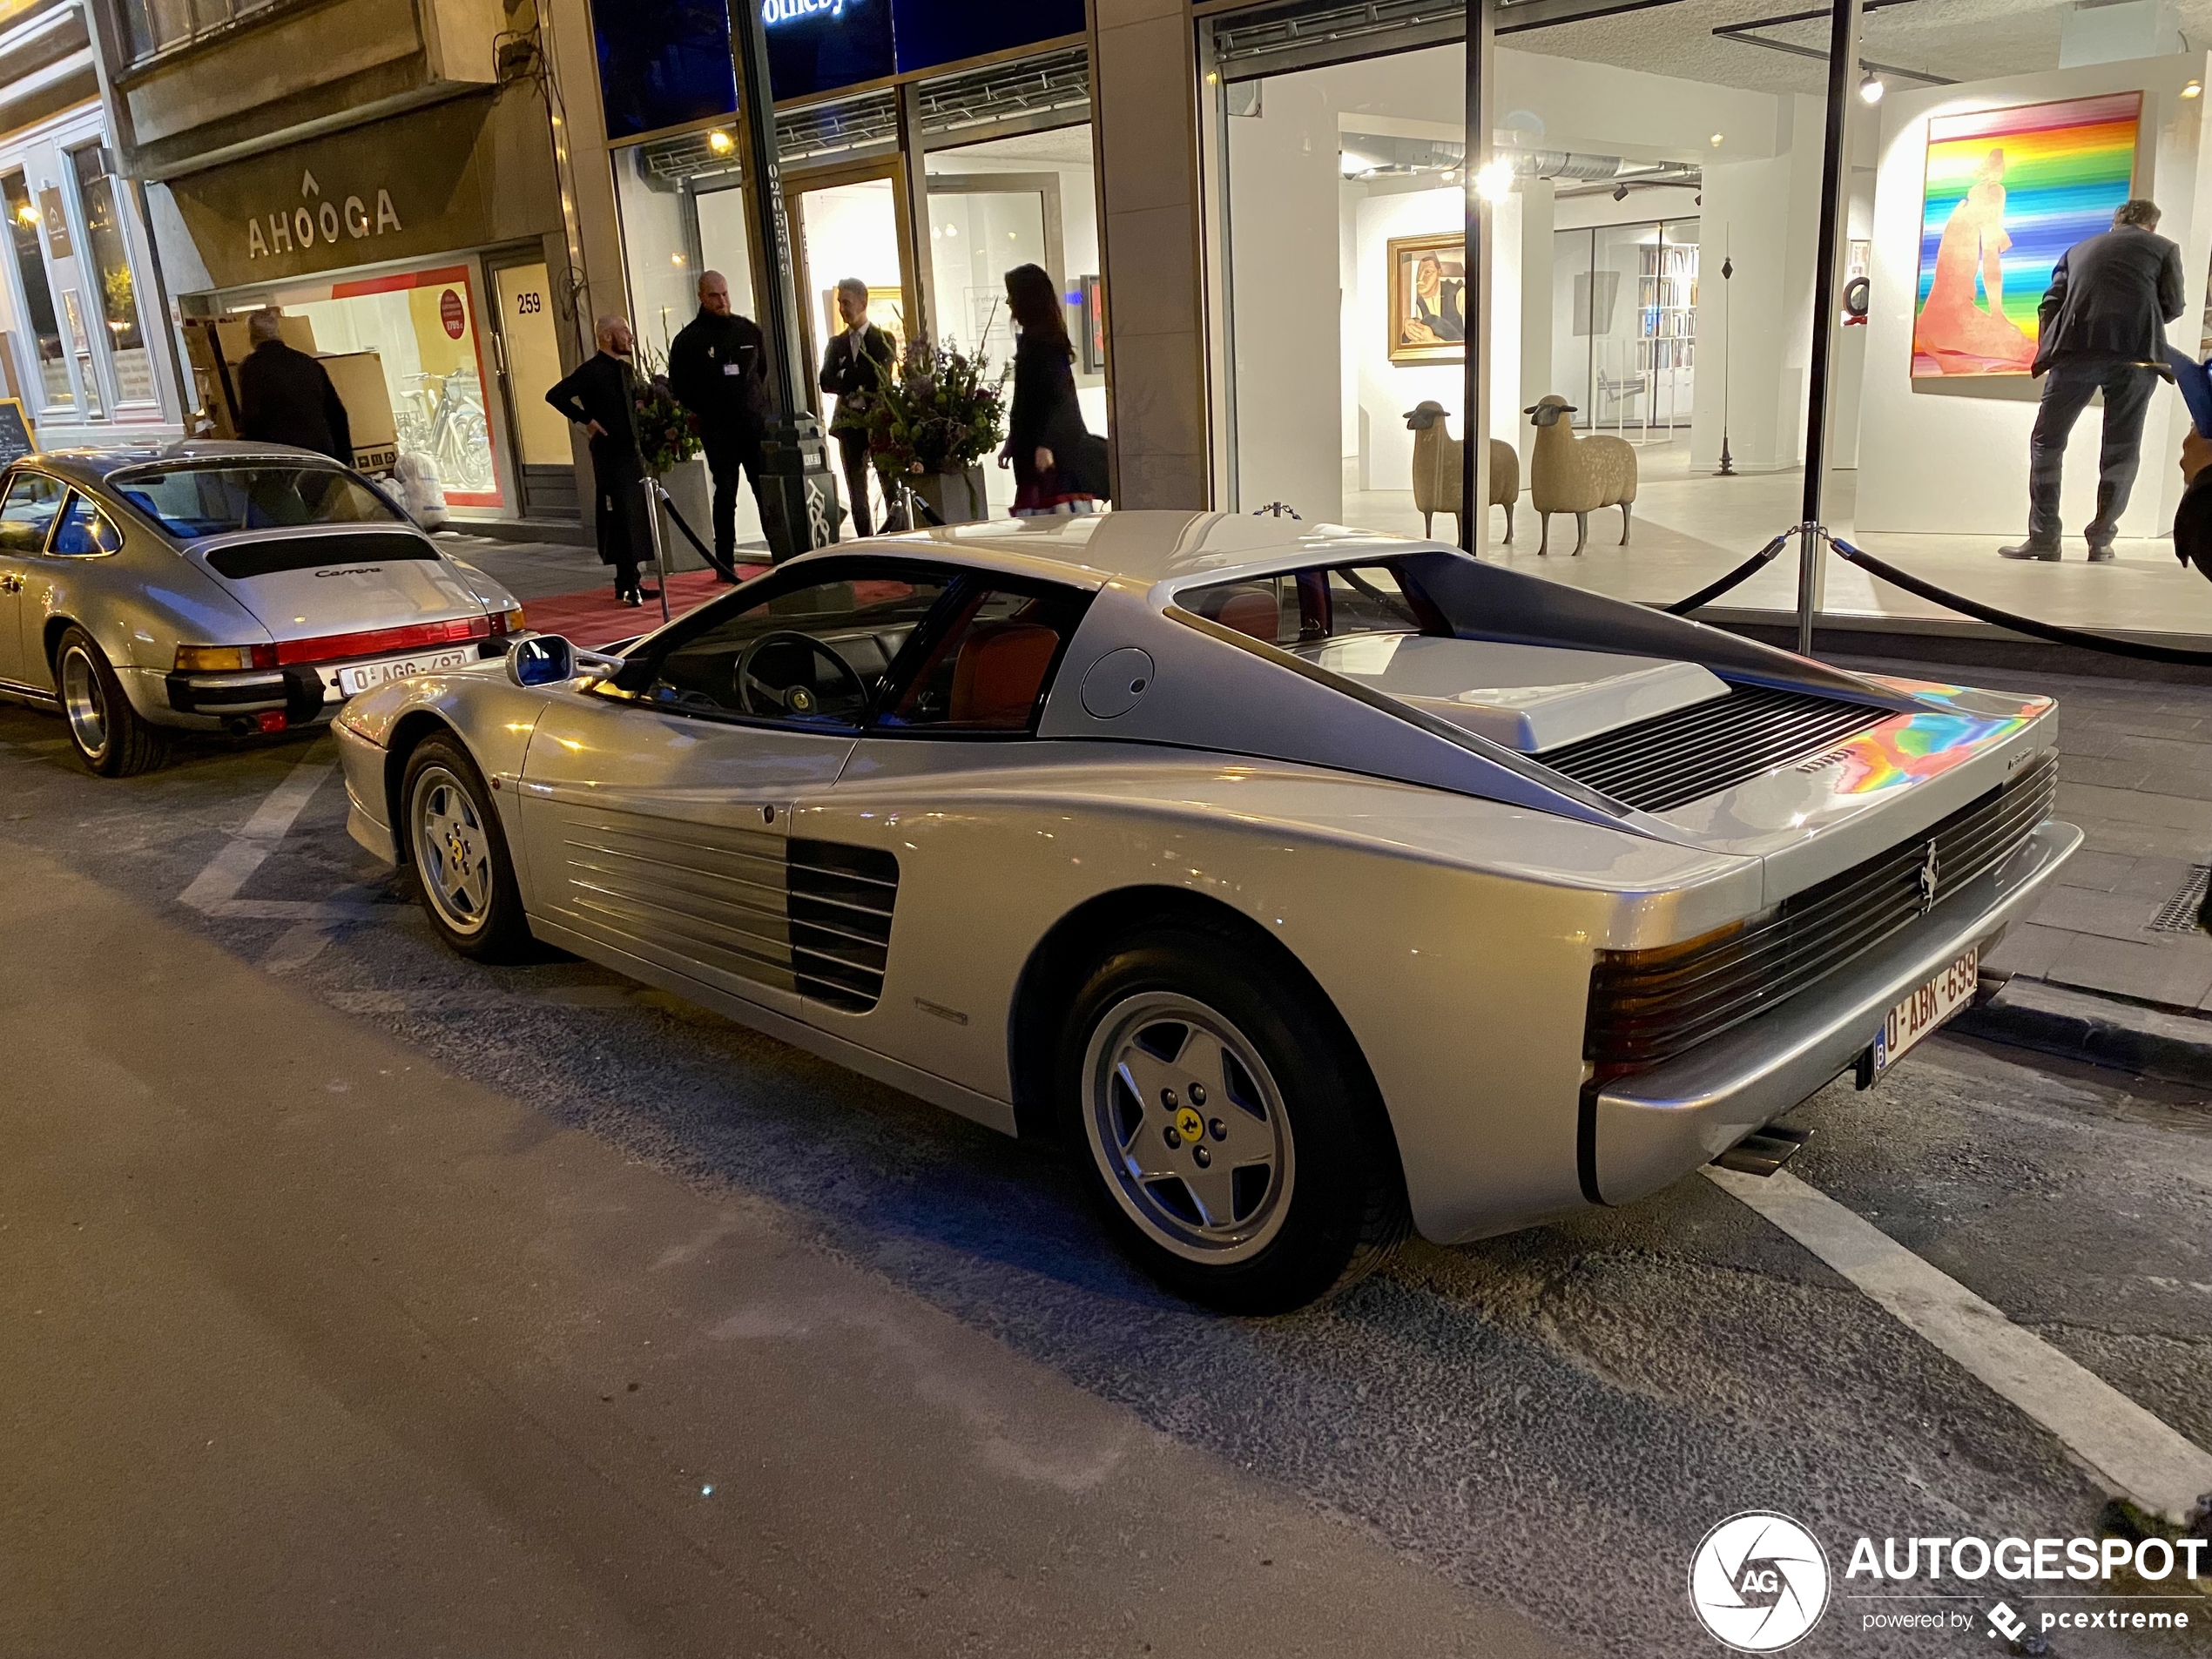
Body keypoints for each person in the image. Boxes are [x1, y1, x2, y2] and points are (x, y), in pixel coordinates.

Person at [2001, 198, 2186, 563]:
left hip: (2076, 352)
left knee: (2046, 442)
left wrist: (2050, 345)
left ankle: (2044, 538)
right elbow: (2175, 305)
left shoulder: (2077, 250)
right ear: (2152, 225)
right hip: (2136, 357)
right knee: (2121, 449)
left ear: (2114, 223)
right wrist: (2136, 320)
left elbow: (2050, 302)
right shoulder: (2164, 248)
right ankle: (2101, 540)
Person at [545, 314, 658, 606]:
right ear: (607, 336)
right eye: (624, 331)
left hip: (630, 452)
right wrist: (587, 420)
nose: (630, 336)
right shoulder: (592, 371)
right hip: (610, 455)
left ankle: (631, 581)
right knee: (618, 515)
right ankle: (627, 583)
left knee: (633, 515)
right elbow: (555, 395)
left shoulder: (625, 370)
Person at [667, 270, 770, 577]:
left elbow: (760, 374)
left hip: (752, 425)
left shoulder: (748, 331)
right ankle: (724, 563)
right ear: (701, 296)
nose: (722, 300)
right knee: (725, 494)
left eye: (725, 294)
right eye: (714, 295)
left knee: (764, 491)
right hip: (718, 429)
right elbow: (680, 387)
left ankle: (781, 553)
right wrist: (706, 411)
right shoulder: (688, 340)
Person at [1000, 264, 1101, 518]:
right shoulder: (1039, 342)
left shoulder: (1044, 345)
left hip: (1052, 461)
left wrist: (1046, 444)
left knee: (1055, 527)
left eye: (1013, 296)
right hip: (1038, 455)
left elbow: (1058, 398)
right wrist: (1013, 441)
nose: (1009, 302)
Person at [818, 277, 895, 536]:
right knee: (856, 486)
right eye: (840, 302)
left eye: (847, 302)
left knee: (889, 483)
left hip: (878, 422)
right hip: (848, 424)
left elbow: (878, 376)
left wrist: (846, 376)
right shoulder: (836, 344)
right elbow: (825, 381)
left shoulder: (883, 339)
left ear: (863, 302)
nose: (842, 308)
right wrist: (853, 377)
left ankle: (898, 536)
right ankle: (866, 541)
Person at [236, 307, 352, 465]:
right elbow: (336, 412)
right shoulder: (309, 363)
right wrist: (344, 458)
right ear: (278, 332)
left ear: (252, 336)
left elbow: (252, 416)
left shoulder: (251, 367)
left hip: (284, 455)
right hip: (320, 453)